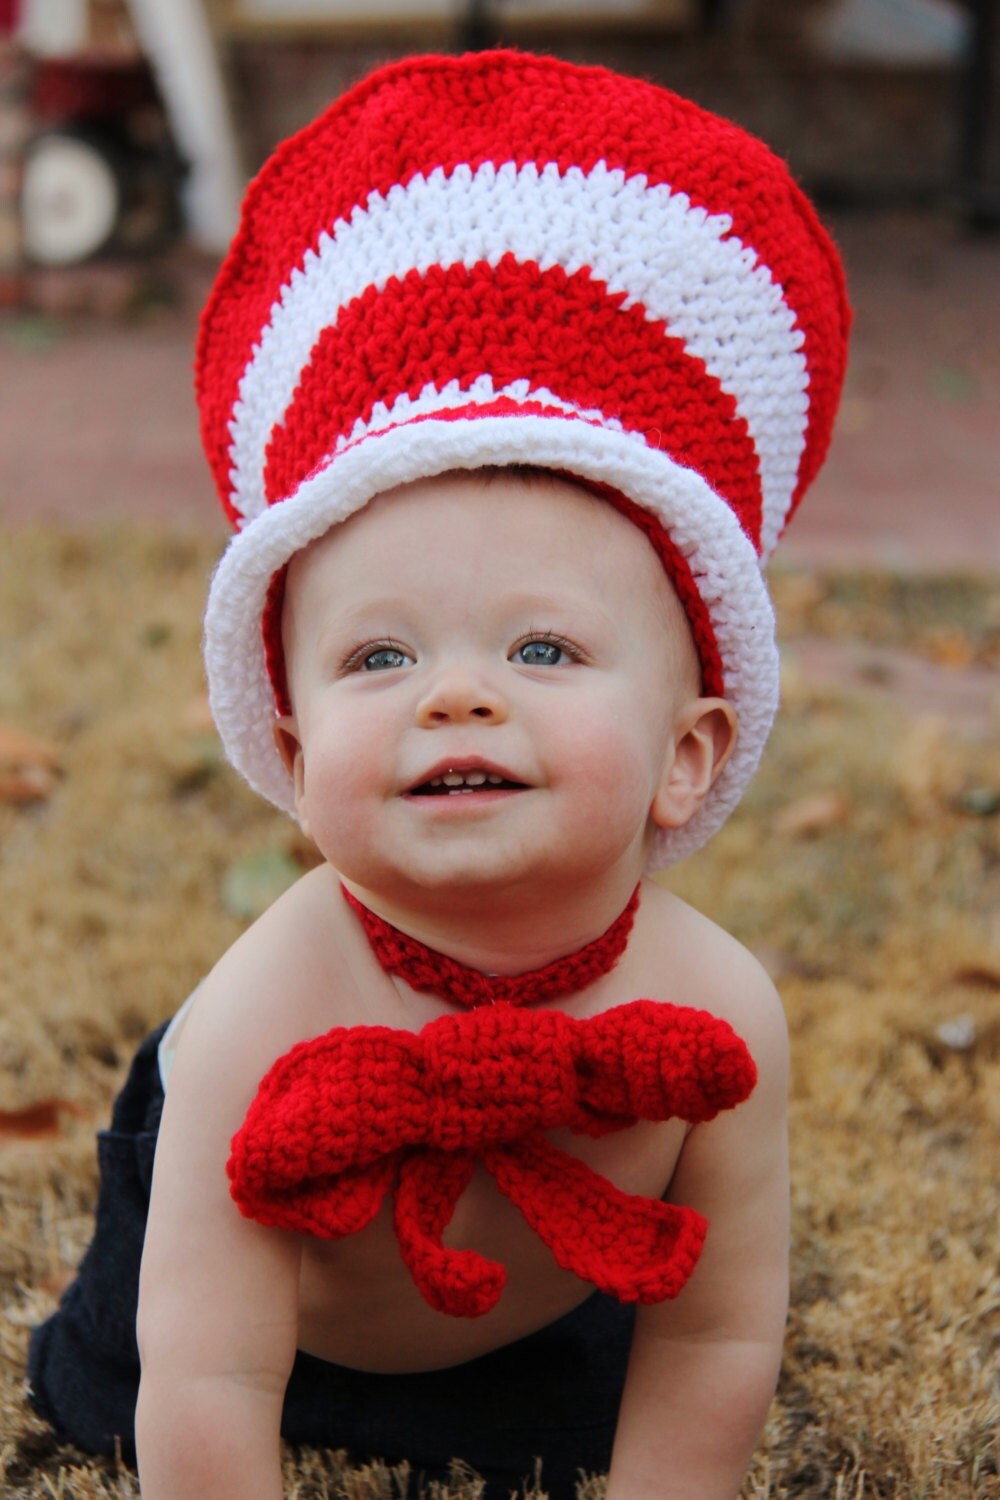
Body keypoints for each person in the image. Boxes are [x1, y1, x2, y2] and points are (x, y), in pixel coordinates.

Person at [27, 48, 850, 1500]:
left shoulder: (719, 1017)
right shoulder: (263, 1019)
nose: (456, 694)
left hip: (522, 1314)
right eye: (378, 656)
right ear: (292, 756)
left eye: (542, 648)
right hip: (249, 1304)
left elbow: (718, 1334)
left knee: (564, 1432)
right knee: (142, 1397)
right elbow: (208, 1369)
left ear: (688, 755)